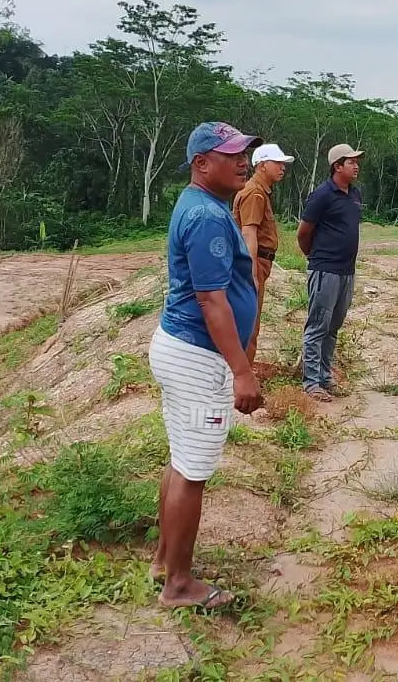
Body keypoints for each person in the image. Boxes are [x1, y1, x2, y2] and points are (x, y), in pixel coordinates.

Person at [149, 121, 265, 611]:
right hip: (199, 357)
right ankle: (178, 585)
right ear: (202, 164)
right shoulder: (208, 218)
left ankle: (162, 560)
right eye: (233, 154)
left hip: (184, 348)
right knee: (193, 471)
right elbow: (212, 301)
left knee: (181, 460)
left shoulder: (203, 206)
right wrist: (242, 370)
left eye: (246, 154)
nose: (244, 162)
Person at [296, 143, 364, 403]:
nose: (356, 166)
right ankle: (311, 382)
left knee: (333, 327)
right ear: (337, 166)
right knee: (317, 326)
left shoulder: (354, 194)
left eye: (357, 161)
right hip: (325, 270)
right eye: (351, 162)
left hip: (347, 271)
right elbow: (303, 232)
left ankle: (325, 377)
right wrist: (315, 258)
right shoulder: (323, 194)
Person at [233, 141, 295, 364]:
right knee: (250, 326)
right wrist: (252, 274)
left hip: (260, 264)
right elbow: (248, 234)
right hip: (255, 264)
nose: (282, 167)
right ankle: (242, 377)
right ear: (261, 166)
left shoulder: (259, 192)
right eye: (277, 163)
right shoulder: (255, 194)